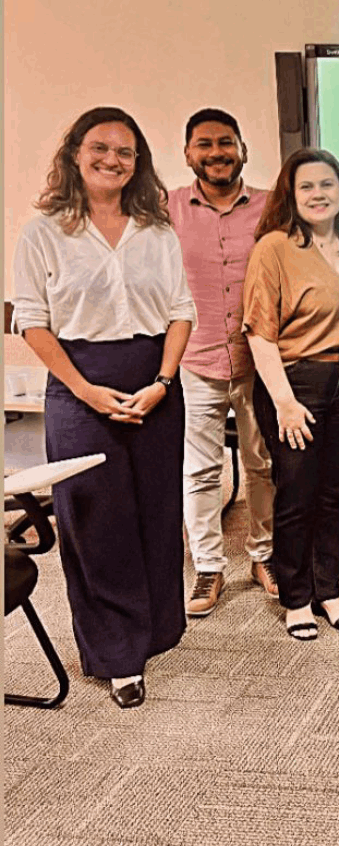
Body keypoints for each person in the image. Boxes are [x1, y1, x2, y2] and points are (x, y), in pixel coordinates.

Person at [12, 107, 195, 708]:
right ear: (75, 153)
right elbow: (32, 322)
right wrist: (87, 391)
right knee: (96, 522)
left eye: (125, 151)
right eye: (101, 148)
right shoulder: (44, 230)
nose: (112, 159)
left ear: (137, 162)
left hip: (154, 384)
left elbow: (180, 309)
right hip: (78, 386)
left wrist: (164, 381)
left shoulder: (155, 227)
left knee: (156, 511)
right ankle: (117, 655)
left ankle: (157, 629)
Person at [242, 148, 339, 641]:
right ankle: (296, 597)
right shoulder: (274, 248)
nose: (318, 194)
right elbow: (259, 332)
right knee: (297, 495)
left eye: (327, 184)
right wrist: (283, 401)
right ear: (290, 195)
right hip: (296, 385)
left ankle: (330, 588)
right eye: (307, 187)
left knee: (333, 493)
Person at [167, 108, 275, 618]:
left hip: (259, 360)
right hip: (195, 359)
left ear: (242, 149)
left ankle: (264, 554)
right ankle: (209, 565)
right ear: (188, 153)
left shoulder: (272, 208)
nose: (216, 153)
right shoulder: (165, 210)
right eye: (205, 144)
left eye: (226, 142)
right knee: (200, 471)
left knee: (263, 465)